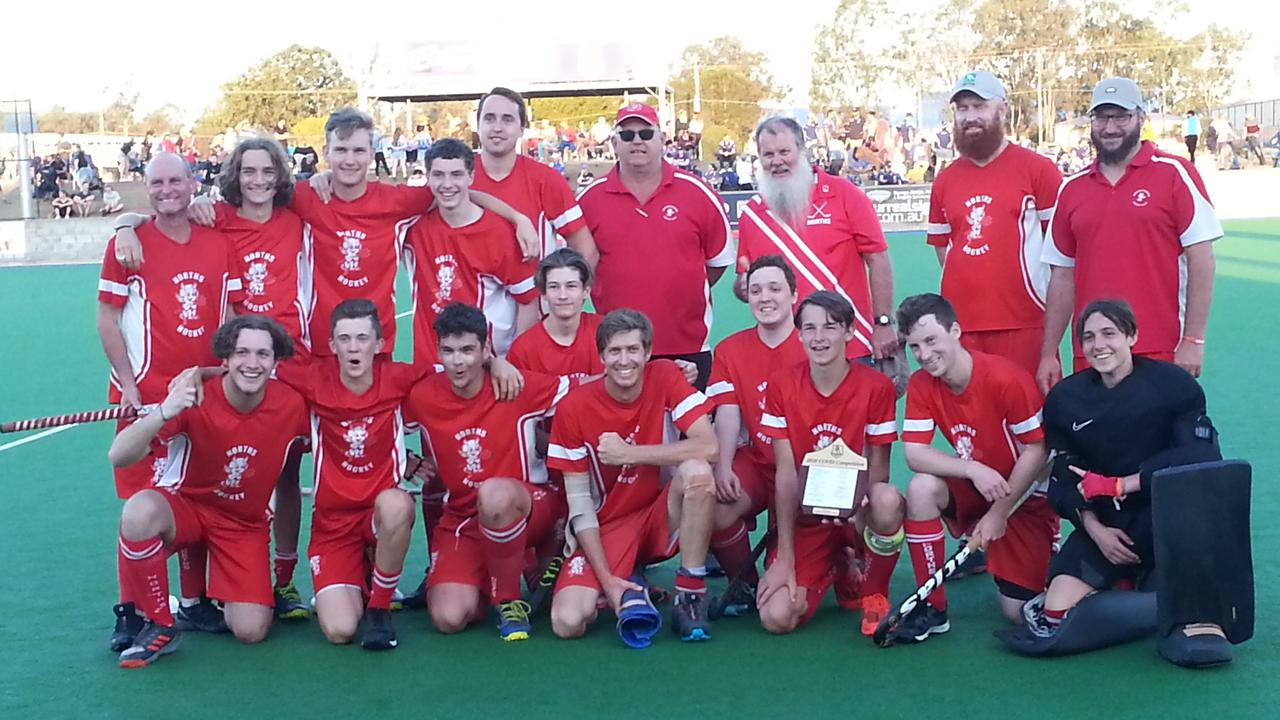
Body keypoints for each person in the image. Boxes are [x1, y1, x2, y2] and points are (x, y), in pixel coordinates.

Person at [1025, 299, 1225, 662]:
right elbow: (1061, 481)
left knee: (1195, 603)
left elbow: (1203, 456)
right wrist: (1094, 528)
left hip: (1166, 519)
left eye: (1109, 334)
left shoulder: (1173, 385)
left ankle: (1140, 594)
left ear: (1131, 336)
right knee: (1054, 612)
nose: (1098, 345)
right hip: (1107, 524)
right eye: (1088, 337)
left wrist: (1121, 484)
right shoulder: (1066, 399)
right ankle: (1151, 601)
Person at [107, 315, 308, 668]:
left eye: (263, 354)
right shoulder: (194, 397)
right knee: (139, 511)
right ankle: (159, 622)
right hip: (187, 508)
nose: (252, 363)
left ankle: (196, 597)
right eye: (242, 352)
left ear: (276, 362)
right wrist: (165, 410)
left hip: (242, 525)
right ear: (225, 359)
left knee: (251, 629)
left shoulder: (292, 405)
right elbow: (119, 455)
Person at [97, 152, 244, 630]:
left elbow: (234, 317)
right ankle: (134, 610)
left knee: (198, 491)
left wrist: (224, 378)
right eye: (157, 182)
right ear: (147, 188)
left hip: (204, 391)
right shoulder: (129, 244)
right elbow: (107, 319)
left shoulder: (219, 244)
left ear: (192, 182)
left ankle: (195, 600)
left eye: (175, 180)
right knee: (142, 501)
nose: (166, 190)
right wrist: (130, 386)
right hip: (148, 395)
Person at [547, 309, 720, 642]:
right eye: (614, 351)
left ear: (648, 352)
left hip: (659, 513)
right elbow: (580, 508)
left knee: (698, 473)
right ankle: (628, 582)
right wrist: (607, 582)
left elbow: (709, 446)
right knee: (567, 622)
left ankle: (690, 595)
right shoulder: (573, 408)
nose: (624, 360)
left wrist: (631, 453)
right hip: (607, 526)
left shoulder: (666, 376)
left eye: (632, 350)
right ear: (601, 356)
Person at [1039, 78, 1222, 393]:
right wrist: (1048, 353)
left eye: (1121, 116)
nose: (1110, 128)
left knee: (1161, 441)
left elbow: (1201, 260)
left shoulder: (1175, 173)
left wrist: (1193, 339)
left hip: (1161, 348)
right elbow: (1062, 277)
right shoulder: (1071, 188)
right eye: (1102, 117)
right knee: (1100, 441)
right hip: (1094, 351)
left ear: (1141, 118)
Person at [892, 293, 1055, 644]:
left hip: (1023, 497)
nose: (924, 354)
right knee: (921, 488)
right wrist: (972, 469)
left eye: (931, 340)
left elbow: (1037, 451)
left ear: (955, 331)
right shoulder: (923, 383)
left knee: (1016, 611)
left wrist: (999, 513)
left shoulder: (1004, 378)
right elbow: (915, 454)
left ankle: (1052, 559)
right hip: (981, 485)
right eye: (914, 346)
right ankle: (931, 609)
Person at [402, 303, 569, 641]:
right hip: (465, 517)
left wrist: (657, 373)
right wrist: (402, 458)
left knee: (494, 494)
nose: (458, 361)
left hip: (529, 506)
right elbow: (374, 425)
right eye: (448, 351)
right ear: (438, 351)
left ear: (485, 349)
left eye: (467, 350)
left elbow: (586, 393)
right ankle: (498, 570)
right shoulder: (423, 396)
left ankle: (508, 599)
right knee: (448, 617)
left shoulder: (513, 385)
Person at [271, 299, 430, 650]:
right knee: (340, 630)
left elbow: (454, 373)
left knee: (396, 503)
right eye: (344, 339)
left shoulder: (400, 377)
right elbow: (253, 371)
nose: (353, 347)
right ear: (332, 346)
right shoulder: (312, 380)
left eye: (362, 338)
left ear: (379, 344)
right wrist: (201, 374)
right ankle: (361, 570)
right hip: (332, 524)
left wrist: (494, 364)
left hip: (377, 513)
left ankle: (380, 609)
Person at [756, 291, 905, 636]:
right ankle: (837, 566)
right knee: (776, 617)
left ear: (850, 332)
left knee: (885, 500)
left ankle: (874, 595)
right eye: (809, 328)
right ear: (799, 334)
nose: (819, 338)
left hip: (857, 509)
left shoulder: (876, 386)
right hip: (807, 519)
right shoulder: (781, 385)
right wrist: (786, 559)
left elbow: (879, 466)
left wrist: (855, 507)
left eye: (830, 327)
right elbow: (786, 471)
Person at [576, 104, 734, 389]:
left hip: (687, 345)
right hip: (618, 347)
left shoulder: (697, 192)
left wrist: (682, 285)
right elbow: (576, 269)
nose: (637, 140)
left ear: (662, 140)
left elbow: (718, 261)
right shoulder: (589, 199)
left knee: (691, 432)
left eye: (646, 133)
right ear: (614, 143)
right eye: (627, 135)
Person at [927, 71, 1063, 377]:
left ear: (1002, 110)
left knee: (1030, 417)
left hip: (1024, 323)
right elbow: (943, 250)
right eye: (963, 109)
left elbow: (1061, 257)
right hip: (962, 327)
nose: (970, 117)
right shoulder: (945, 180)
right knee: (973, 419)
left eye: (979, 106)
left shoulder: (1038, 170)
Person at [735, 116, 896, 362]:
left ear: (801, 151)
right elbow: (743, 281)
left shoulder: (845, 194)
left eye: (784, 152)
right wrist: (744, 287)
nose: (776, 161)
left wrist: (883, 322)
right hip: (786, 352)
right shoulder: (752, 215)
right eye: (767, 154)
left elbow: (878, 258)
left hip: (849, 344)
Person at [704, 255, 808, 617]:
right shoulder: (730, 350)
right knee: (715, 503)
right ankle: (744, 582)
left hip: (803, 470)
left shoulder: (814, 345)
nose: (765, 298)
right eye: (756, 290)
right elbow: (729, 413)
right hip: (759, 461)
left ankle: (842, 566)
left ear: (793, 295)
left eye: (775, 289)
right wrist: (724, 465)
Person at [402, 138, 540, 364]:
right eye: (438, 175)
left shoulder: (501, 233)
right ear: (428, 177)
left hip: (487, 367)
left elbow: (528, 302)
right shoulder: (413, 227)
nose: (447, 184)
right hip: (431, 366)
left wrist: (512, 362)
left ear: (471, 177)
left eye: (456, 174)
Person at [471, 88, 598, 266]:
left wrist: (568, 291)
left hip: (534, 292)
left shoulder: (546, 179)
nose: (497, 127)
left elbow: (585, 250)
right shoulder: (455, 178)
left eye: (507, 119)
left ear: (522, 129)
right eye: (489, 118)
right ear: (478, 126)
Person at [506, 248, 603, 381]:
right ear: (544, 293)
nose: (563, 296)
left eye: (571, 286)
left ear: (586, 291)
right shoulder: (523, 349)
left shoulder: (606, 332)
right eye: (554, 287)